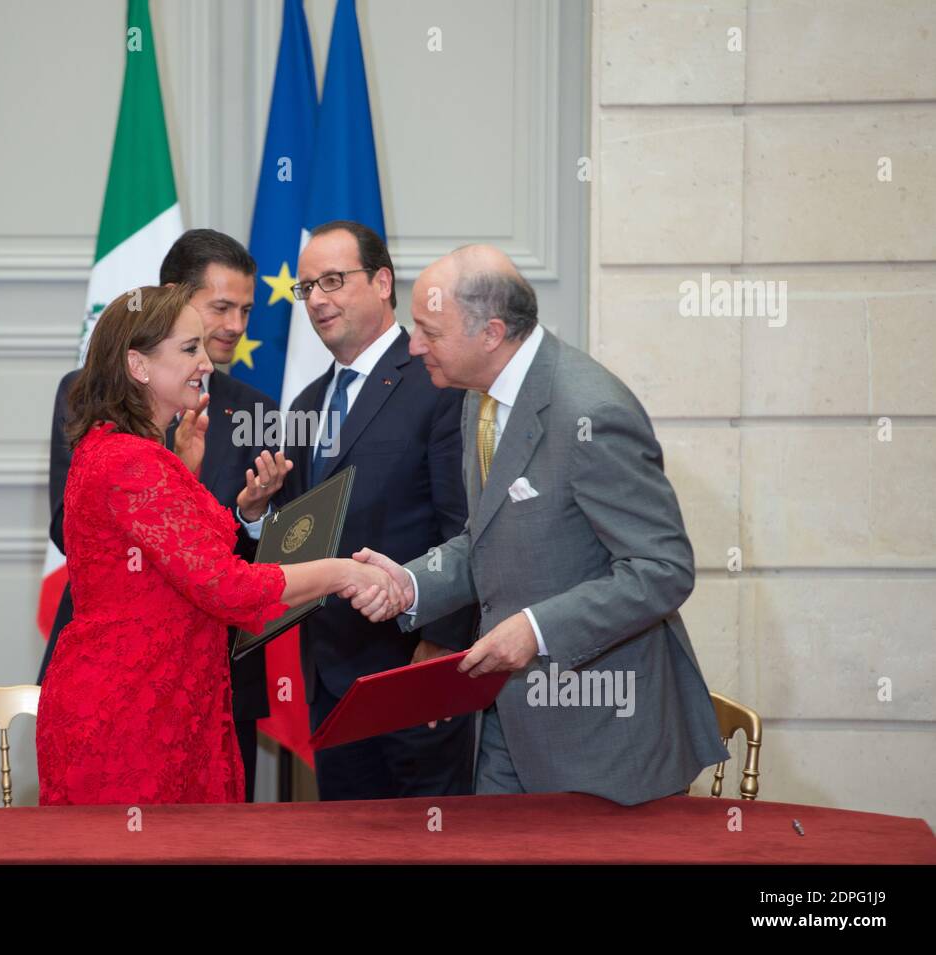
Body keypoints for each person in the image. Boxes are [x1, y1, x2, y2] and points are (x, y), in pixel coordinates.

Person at [350, 245, 729, 805]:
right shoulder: (475, 398)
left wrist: (535, 629)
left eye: (430, 330)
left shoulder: (590, 411)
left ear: (491, 332)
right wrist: (411, 584)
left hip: (606, 737)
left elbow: (662, 569)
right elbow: (487, 537)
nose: (413, 345)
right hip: (511, 723)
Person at [36, 284, 401, 806]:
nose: (206, 363)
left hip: (167, 700)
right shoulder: (129, 461)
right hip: (132, 715)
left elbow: (171, 564)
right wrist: (344, 573)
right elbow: (228, 587)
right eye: (189, 349)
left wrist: (185, 470)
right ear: (138, 366)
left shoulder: (127, 451)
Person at [240, 221, 477, 801]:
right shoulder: (306, 403)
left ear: (381, 282)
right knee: (348, 848)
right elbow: (298, 536)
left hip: (411, 667)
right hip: (331, 680)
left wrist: (440, 648)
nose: (317, 299)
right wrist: (254, 515)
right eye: (306, 288)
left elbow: (464, 524)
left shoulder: (438, 383)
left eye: (333, 281)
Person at [40, 229, 280, 800]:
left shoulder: (258, 409)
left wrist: (247, 516)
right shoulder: (86, 397)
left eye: (246, 310)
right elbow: (71, 528)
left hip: (213, 671)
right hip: (123, 677)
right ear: (173, 297)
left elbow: (259, 545)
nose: (234, 326)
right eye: (220, 307)